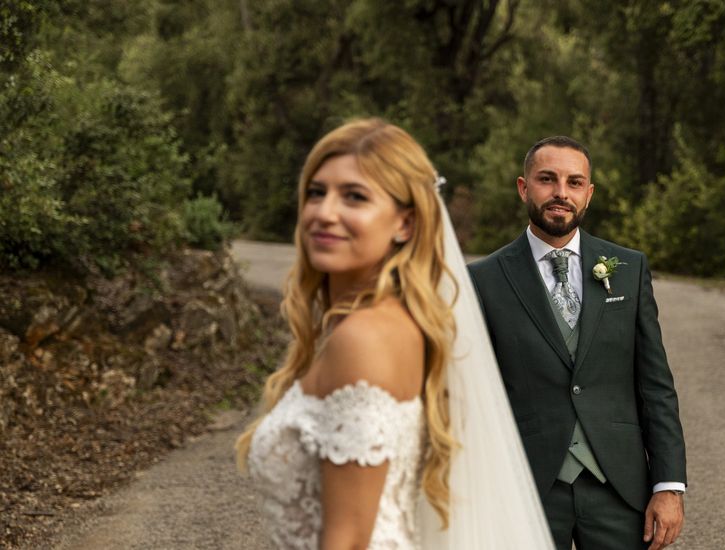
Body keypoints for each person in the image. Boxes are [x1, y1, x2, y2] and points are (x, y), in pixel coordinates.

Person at [235, 118, 554, 549]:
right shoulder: (390, 323)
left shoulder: (364, 338)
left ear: (404, 223)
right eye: (316, 192)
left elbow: (348, 541)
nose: (325, 212)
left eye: (354, 196)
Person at [468, 136, 688, 550]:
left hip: (618, 488)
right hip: (524, 489)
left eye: (574, 182)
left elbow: (655, 384)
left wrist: (668, 485)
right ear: (523, 187)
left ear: (588, 194)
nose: (560, 193)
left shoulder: (628, 268)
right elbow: (473, 399)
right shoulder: (483, 280)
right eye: (547, 180)